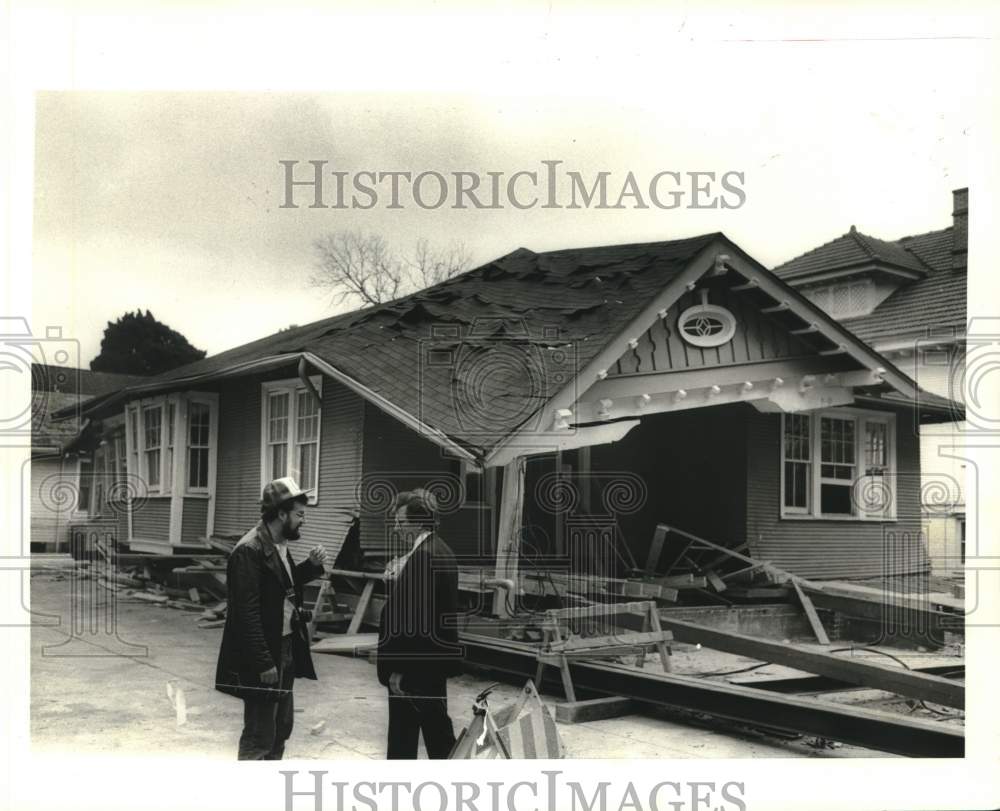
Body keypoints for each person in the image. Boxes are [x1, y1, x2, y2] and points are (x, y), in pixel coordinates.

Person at [214, 477, 328, 760]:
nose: (304, 520)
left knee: (281, 728)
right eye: (300, 514)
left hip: (284, 646)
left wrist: (310, 568)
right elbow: (245, 614)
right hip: (266, 653)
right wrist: (263, 661)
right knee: (259, 735)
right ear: (281, 513)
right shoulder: (249, 550)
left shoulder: (277, 544)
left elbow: (280, 587)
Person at [377, 488, 463, 759]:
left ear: (418, 523)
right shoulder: (442, 550)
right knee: (438, 733)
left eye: (401, 523)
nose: (396, 529)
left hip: (415, 668)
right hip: (433, 663)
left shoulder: (422, 557)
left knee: (403, 739)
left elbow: (414, 620)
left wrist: (400, 669)